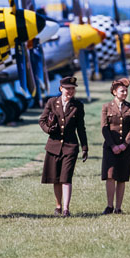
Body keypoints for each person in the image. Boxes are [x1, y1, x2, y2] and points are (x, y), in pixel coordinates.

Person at [39, 76, 88, 217]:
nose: (70, 91)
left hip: (70, 146)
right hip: (53, 146)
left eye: (73, 89)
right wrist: (48, 130)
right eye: (68, 89)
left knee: (66, 177)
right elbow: (42, 120)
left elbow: (81, 128)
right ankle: (58, 206)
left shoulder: (78, 105)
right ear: (61, 89)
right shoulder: (52, 102)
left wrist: (85, 147)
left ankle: (66, 209)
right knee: (56, 178)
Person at [101, 78, 130, 214]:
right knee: (110, 176)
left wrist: (125, 144)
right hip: (110, 147)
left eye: (126, 90)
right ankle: (109, 206)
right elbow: (104, 127)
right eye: (122, 91)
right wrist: (113, 145)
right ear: (114, 92)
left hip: (125, 148)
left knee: (122, 177)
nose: (125, 93)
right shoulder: (106, 107)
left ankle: (118, 207)